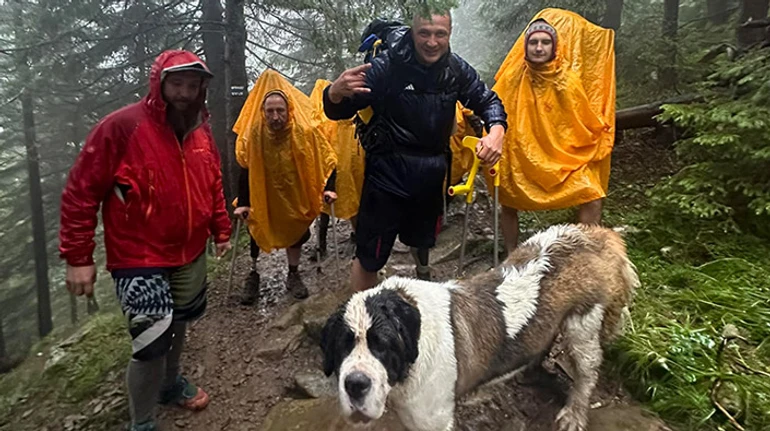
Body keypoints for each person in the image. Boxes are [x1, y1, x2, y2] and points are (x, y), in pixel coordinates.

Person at [59, 50, 232, 431]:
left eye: (193, 85)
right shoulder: (121, 127)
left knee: (181, 320)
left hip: (189, 251)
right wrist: (77, 256)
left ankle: (171, 386)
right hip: (138, 255)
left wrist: (220, 228)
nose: (185, 93)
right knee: (151, 341)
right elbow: (81, 191)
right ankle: (143, 422)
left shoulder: (200, 130)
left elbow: (212, 181)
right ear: (159, 83)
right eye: (177, 84)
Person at [323, 10, 507, 291]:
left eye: (440, 34)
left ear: (449, 34)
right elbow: (341, 109)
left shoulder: (455, 69)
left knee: (422, 240)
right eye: (424, 33)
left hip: (432, 172)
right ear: (412, 32)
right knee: (370, 256)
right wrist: (334, 93)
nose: (432, 42)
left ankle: (421, 284)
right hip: (387, 174)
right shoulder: (388, 66)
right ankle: (363, 321)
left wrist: (496, 131)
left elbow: (487, 100)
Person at [491, 9, 616, 251]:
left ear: (554, 46)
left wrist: (595, 133)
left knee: (592, 193)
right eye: (534, 42)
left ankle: (585, 254)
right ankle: (510, 253)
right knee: (507, 199)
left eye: (545, 42)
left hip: (564, 158)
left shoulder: (567, 79)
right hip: (521, 158)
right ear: (525, 46)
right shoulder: (513, 76)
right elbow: (494, 106)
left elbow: (580, 122)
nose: (539, 47)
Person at [233, 69, 337, 305]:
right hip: (264, 195)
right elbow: (245, 168)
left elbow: (327, 160)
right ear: (263, 112)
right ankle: (253, 272)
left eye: (280, 110)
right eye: (270, 111)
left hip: (294, 195)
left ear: (288, 110)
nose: (275, 116)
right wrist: (245, 202)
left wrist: (327, 188)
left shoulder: (303, 132)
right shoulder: (253, 135)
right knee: (257, 228)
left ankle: (293, 273)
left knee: (296, 233)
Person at [309, 79, 365, 261]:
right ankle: (323, 244)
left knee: (351, 199)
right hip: (337, 159)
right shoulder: (325, 116)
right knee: (335, 201)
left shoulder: (339, 112)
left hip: (348, 156)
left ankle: (356, 240)